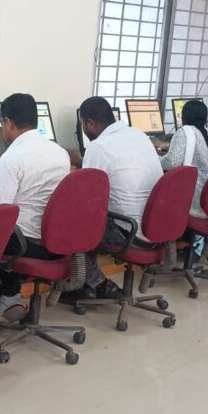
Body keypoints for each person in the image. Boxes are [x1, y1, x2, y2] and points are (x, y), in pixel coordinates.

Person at [0, 93, 70, 320]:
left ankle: (7, 297)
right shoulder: (60, 153)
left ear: (8, 122)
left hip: (28, 244)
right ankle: (9, 296)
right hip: (58, 241)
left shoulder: (11, 160)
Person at [69, 96, 163, 299]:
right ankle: (91, 283)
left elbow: (86, 196)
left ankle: (95, 283)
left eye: (83, 125)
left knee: (67, 222)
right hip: (156, 228)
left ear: (90, 123)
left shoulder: (98, 146)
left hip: (129, 233)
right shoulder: (138, 135)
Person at [161, 99, 208, 216]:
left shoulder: (185, 132)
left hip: (194, 200)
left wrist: (156, 159)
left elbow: (172, 163)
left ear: (183, 117)